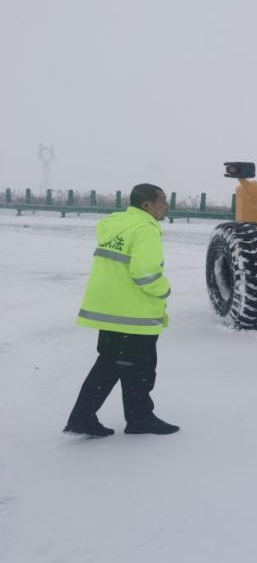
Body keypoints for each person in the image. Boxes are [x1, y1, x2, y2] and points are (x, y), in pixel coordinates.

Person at [64, 184, 180, 437]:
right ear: (146, 204)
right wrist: (165, 291)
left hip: (111, 311)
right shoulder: (145, 229)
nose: (167, 206)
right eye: (162, 201)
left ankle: (135, 418)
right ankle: (96, 418)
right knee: (133, 369)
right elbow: (145, 273)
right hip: (133, 316)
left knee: (117, 366)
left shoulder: (117, 225)